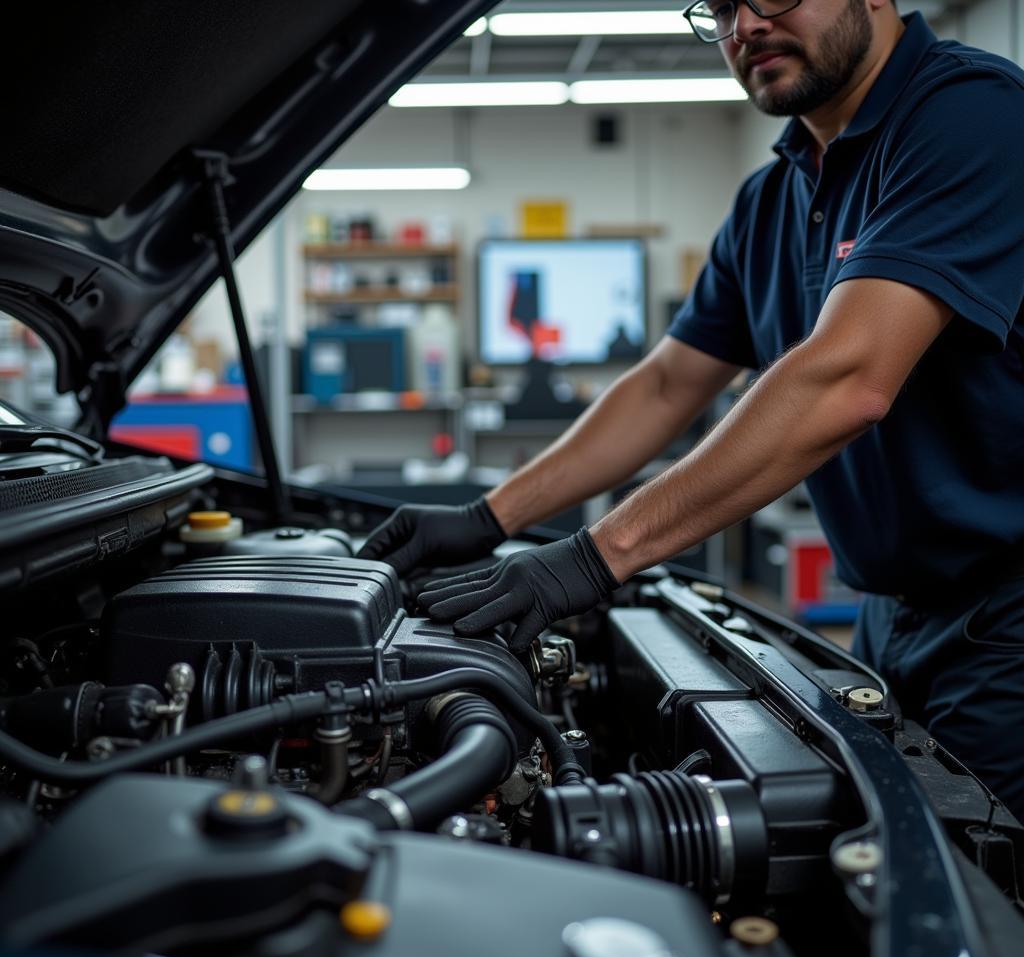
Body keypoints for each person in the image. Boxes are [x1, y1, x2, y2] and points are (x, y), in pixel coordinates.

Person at [360, 0, 1024, 819]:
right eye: (718, 7)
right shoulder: (773, 198)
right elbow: (668, 385)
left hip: (1008, 614)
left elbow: (847, 378)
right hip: (893, 609)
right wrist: (487, 517)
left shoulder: (973, 117)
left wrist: (592, 559)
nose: (744, 26)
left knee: (979, 882)